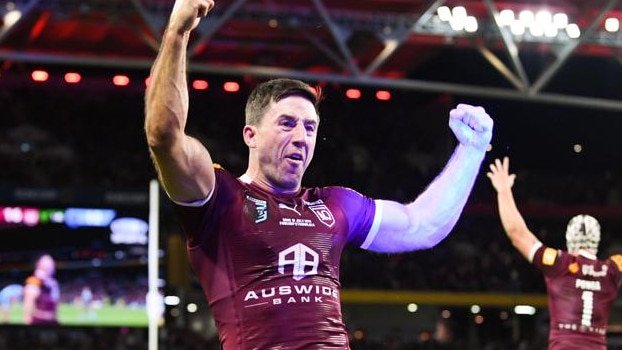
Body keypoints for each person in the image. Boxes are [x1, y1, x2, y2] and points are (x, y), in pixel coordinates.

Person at [144, 1, 493, 348]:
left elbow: (423, 225)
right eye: (286, 124)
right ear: (250, 135)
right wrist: (177, 32)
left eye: (310, 127)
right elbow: (164, 136)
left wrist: (471, 151)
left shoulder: (336, 204)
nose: (301, 137)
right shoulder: (221, 197)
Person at [486, 157, 622, 350]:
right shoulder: (612, 269)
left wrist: (504, 191)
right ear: (597, 240)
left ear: (568, 239)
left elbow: (518, 234)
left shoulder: (559, 263)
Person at [22, 254, 60, 325]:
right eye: (47, 264)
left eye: (51, 264)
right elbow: (28, 306)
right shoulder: (34, 281)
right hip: (39, 322)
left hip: (52, 321)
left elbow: (55, 305)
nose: (50, 267)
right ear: (39, 265)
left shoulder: (52, 283)